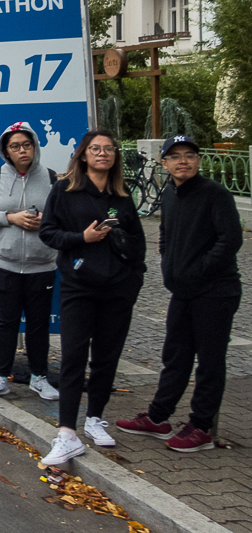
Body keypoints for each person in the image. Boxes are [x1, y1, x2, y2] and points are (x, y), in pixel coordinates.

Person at [117, 134, 244, 452]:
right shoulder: (170, 192)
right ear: (165, 163)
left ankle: (201, 427)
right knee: (175, 357)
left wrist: (197, 270)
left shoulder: (215, 194)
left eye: (189, 155)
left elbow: (230, 240)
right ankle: (159, 418)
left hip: (215, 291)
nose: (182, 161)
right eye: (175, 156)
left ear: (199, 160)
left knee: (210, 362)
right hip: (182, 292)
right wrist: (167, 264)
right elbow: (165, 231)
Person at [37, 131, 144, 466]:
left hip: (117, 289)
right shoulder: (65, 190)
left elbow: (139, 242)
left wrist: (132, 281)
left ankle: (95, 417)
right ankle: (67, 433)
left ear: (115, 155)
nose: (103, 154)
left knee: (106, 357)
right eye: (95, 149)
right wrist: (81, 238)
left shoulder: (122, 194)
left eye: (108, 149)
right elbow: (48, 232)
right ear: (83, 155)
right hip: (78, 286)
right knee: (73, 357)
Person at [0, 122, 60, 402]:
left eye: (26, 144)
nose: (22, 150)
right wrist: (11, 218)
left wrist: (46, 221)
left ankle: (39, 377)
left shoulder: (53, 178)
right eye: (15, 146)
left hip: (42, 264)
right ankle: (0, 377)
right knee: (5, 323)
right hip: (5, 263)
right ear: (6, 151)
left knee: (38, 324)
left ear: (34, 146)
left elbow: (65, 218)